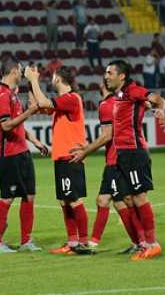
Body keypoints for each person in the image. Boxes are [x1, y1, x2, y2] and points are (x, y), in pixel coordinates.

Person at [68, 79, 147, 255]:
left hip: (115, 160)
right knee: (111, 200)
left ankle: (142, 241)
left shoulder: (106, 105)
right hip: (121, 158)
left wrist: (86, 151)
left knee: (123, 200)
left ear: (102, 85)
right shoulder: (119, 103)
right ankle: (102, 243)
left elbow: (107, 136)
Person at [104, 59, 165, 260]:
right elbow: (144, 105)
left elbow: (157, 99)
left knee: (139, 197)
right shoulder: (121, 95)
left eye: (109, 73)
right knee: (126, 198)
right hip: (122, 154)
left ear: (121, 76)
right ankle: (142, 243)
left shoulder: (133, 90)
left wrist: (161, 108)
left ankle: (152, 243)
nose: (106, 76)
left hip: (134, 152)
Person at [26, 65, 89, 254]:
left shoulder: (71, 99)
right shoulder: (63, 101)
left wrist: (34, 81)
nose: (52, 81)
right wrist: (31, 85)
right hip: (62, 156)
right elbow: (39, 106)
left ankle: (84, 241)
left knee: (74, 199)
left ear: (59, 80)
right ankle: (72, 243)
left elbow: (44, 103)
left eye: (53, 78)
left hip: (72, 157)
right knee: (64, 200)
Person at [0, 56, 47, 253]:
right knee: (7, 197)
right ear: (14, 70)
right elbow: (6, 126)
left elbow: (18, 124)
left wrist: (34, 141)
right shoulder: (0, 95)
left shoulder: (11, 94)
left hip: (23, 152)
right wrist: (30, 112)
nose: (22, 73)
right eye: (21, 70)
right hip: (9, 155)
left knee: (29, 196)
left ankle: (25, 242)